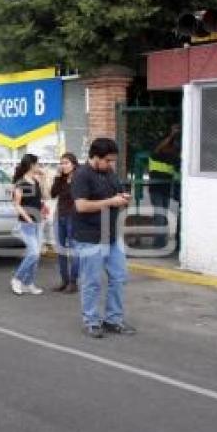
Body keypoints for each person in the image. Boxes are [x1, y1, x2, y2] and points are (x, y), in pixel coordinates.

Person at [72, 138, 136, 339]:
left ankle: (112, 320)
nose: (111, 165)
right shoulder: (81, 175)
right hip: (89, 237)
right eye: (108, 160)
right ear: (95, 157)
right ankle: (91, 321)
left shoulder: (109, 173)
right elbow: (81, 206)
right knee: (92, 282)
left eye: (112, 161)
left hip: (112, 236)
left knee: (119, 277)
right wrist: (111, 201)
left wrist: (124, 199)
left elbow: (117, 194)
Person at [11, 154, 46, 296]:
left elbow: (42, 198)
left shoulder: (35, 181)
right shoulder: (20, 183)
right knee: (33, 253)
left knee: (36, 256)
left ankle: (28, 283)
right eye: (38, 164)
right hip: (26, 223)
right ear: (31, 165)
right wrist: (27, 218)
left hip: (38, 222)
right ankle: (17, 279)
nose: (39, 166)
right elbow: (16, 204)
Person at [148, 124, 181, 249]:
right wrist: (172, 135)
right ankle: (159, 242)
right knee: (160, 216)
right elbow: (160, 147)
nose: (172, 149)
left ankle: (161, 240)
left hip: (166, 190)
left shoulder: (172, 158)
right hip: (156, 190)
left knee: (162, 216)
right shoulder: (156, 154)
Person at [51, 152, 80, 293]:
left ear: (74, 164)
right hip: (60, 217)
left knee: (75, 251)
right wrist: (57, 177)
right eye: (61, 163)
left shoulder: (79, 178)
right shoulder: (61, 179)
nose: (63, 166)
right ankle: (64, 280)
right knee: (61, 250)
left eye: (66, 163)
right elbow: (53, 193)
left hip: (73, 218)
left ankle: (73, 282)